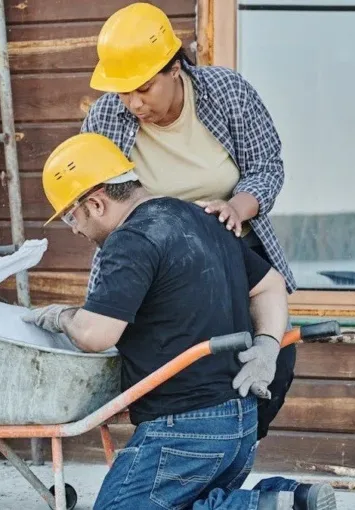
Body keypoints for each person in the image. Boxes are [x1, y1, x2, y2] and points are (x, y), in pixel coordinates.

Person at [23, 133, 336, 510]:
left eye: (72, 216)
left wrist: (61, 316)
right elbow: (270, 285)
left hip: (184, 432)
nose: (74, 228)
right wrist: (267, 345)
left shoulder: (131, 239)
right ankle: (289, 498)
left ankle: (258, 507)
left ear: (96, 202)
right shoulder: (202, 217)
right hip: (238, 424)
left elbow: (95, 334)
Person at [81, 2, 297, 441]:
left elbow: (267, 167)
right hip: (157, 263)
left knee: (271, 370)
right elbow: (96, 198)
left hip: (234, 250)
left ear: (175, 68)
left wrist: (238, 207)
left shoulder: (227, 92)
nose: (133, 103)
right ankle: (180, 461)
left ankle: (230, 457)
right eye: (123, 92)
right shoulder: (106, 117)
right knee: (170, 376)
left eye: (143, 88)